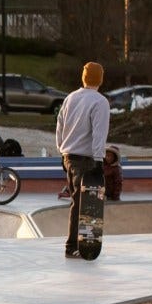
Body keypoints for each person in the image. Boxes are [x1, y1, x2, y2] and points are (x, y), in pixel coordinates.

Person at [55, 62, 111, 258]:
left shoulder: (70, 98)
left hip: (69, 157)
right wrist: (98, 161)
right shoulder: (100, 102)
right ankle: (72, 246)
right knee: (83, 204)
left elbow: (59, 127)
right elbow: (99, 134)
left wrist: (62, 152)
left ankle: (75, 245)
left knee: (76, 201)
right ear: (100, 79)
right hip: (86, 160)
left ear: (83, 78)